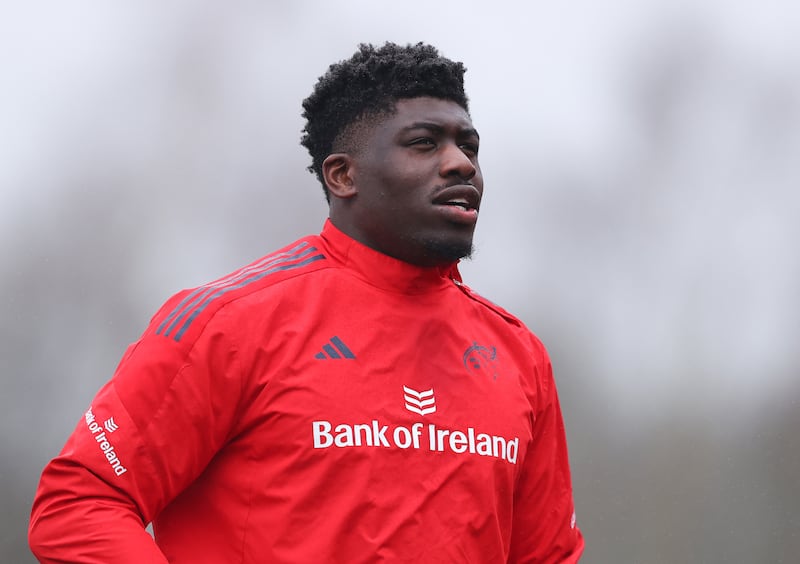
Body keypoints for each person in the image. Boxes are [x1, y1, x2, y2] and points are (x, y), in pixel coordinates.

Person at [29, 42, 584, 563]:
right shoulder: (228, 323)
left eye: (469, 145)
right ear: (343, 176)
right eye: (424, 143)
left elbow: (547, 555)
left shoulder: (517, 356)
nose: (461, 163)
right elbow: (79, 502)